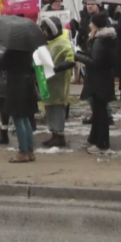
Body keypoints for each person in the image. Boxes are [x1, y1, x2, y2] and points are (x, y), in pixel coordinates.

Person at [74, 12, 117, 153]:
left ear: (96, 25)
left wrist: (78, 56)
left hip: (99, 81)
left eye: (91, 22)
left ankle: (102, 144)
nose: (89, 24)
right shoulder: (103, 38)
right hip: (102, 80)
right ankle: (93, 139)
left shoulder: (99, 40)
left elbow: (96, 62)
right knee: (98, 112)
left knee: (100, 113)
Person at [0, 44, 38, 163]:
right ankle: (30, 151)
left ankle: (23, 152)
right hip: (28, 86)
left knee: (18, 120)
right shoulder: (29, 49)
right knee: (26, 119)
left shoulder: (12, 50)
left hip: (16, 86)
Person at [39, 17, 75, 148]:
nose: (43, 32)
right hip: (47, 81)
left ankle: (60, 135)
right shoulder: (46, 43)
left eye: (44, 29)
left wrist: (56, 68)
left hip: (59, 82)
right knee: (49, 106)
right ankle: (53, 133)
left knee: (58, 108)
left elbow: (71, 60)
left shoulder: (63, 43)